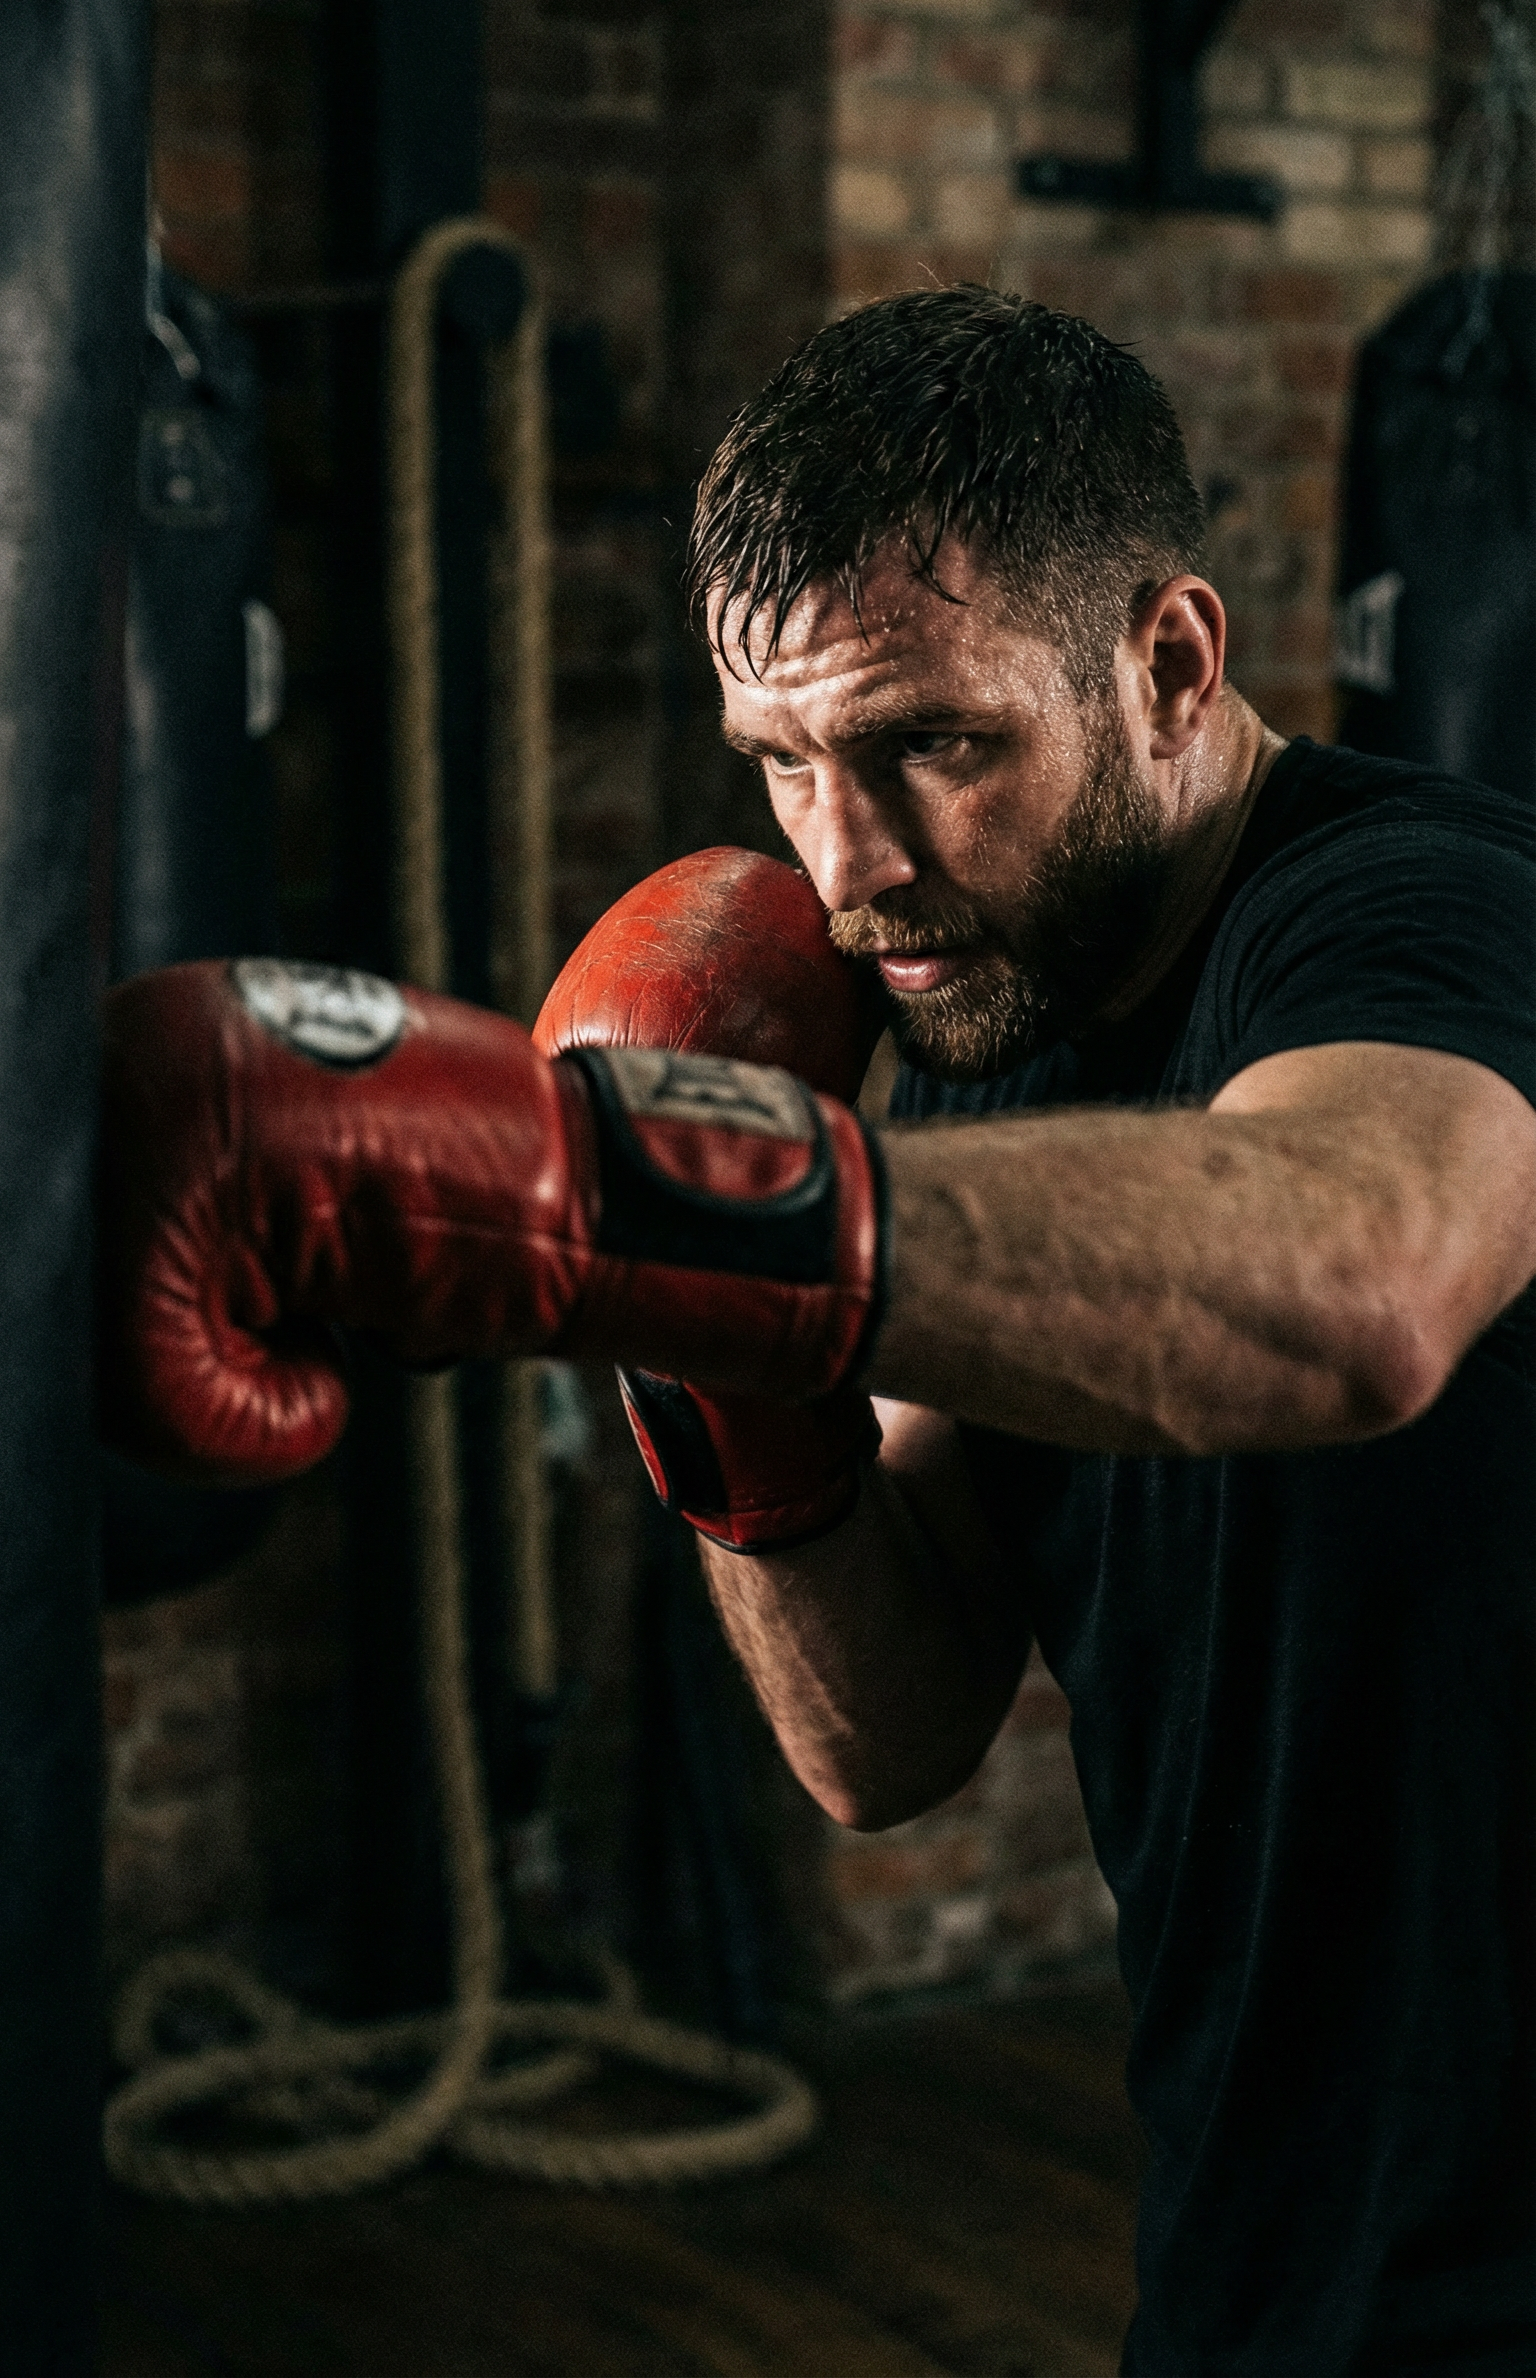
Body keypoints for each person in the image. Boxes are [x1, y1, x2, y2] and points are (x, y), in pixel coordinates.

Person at [100, 289, 1536, 2375]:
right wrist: (701, 1354)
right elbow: (886, 1733)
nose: (852, 868)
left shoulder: (1427, 910)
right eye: (780, 764)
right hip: (1268, 2223)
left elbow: (1356, 1276)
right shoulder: (973, 1018)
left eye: (935, 742)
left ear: (1169, 662)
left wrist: (604, 1192)